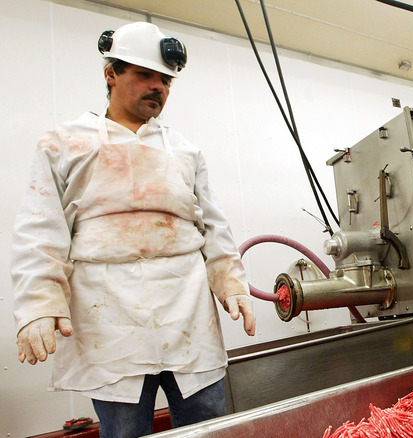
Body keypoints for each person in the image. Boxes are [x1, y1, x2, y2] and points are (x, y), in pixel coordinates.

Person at [11, 22, 256, 437]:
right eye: (145, 75)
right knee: (124, 431)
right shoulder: (65, 143)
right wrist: (38, 303)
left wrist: (231, 282)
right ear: (111, 74)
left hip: (186, 309)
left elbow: (213, 225)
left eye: (165, 80)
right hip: (108, 317)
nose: (157, 87)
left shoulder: (184, 150)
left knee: (208, 426)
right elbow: (41, 228)